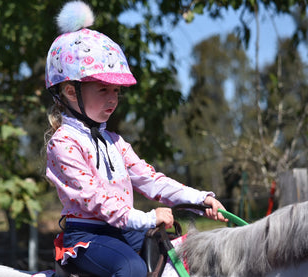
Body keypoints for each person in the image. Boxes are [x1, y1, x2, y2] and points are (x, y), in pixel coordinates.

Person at [44, 1, 228, 276]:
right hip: (88, 238)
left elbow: (151, 180)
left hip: (122, 230)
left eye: (116, 90)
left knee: (186, 255)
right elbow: (96, 199)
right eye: (103, 89)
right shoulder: (63, 144)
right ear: (71, 92)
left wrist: (201, 200)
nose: (113, 98)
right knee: (131, 269)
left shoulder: (114, 142)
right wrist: (147, 218)